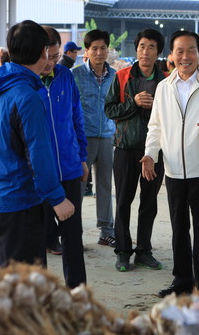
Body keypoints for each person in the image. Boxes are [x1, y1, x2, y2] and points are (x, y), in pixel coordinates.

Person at [141, 30, 199, 298]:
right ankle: (182, 281)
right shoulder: (163, 87)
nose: (185, 56)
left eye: (191, 50)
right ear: (171, 55)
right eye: (180, 51)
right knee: (179, 228)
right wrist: (150, 154)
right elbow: (155, 126)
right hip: (173, 170)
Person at [0, 19, 75, 269]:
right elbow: (38, 153)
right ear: (43, 52)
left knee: (3, 283)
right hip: (18, 202)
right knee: (24, 289)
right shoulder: (27, 97)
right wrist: (57, 198)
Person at [105, 28, 167, 272]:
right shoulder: (121, 77)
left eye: (151, 47)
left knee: (149, 202)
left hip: (154, 151)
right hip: (125, 148)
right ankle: (122, 251)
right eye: (142, 46)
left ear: (158, 52)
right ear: (136, 48)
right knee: (123, 201)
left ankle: (144, 250)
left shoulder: (167, 81)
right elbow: (109, 110)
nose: (146, 51)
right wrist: (133, 103)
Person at [38, 26, 88, 287]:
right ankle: (41, 298)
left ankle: (78, 292)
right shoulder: (27, 83)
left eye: (56, 56)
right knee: (38, 240)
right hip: (38, 174)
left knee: (72, 235)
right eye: (47, 56)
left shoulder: (65, 76)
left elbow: (76, 118)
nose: (51, 62)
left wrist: (82, 156)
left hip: (69, 168)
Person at [71, 29, 116, 247]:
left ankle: (107, 231)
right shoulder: (75, 75)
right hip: (83, 139)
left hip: (107, 137)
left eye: (103, 48)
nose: (99, 53)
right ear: (86, 52)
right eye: (94, 49)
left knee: (105, 185)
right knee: (78, 185)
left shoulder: (115, 76)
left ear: (108, 50)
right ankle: (73, 232)